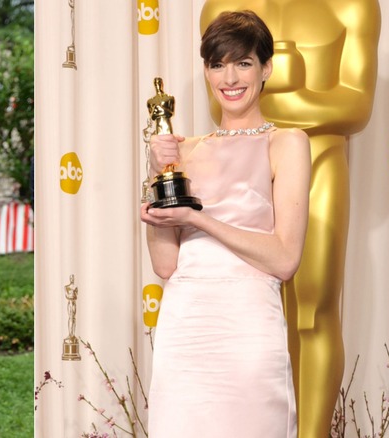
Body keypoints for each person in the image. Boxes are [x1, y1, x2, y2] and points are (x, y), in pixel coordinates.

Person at [200, 3, 379, 436]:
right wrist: (301, 93)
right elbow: (222, 102)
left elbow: (355, 106)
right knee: (248, 309)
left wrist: (284, 92)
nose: (234, 71)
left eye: (247, 63)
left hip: (321, 164)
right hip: (247, 172)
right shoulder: (220, 7)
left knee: (313, 309)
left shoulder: (353, 5)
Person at [140, 11, 310, 437]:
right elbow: (165, 265)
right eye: (217, 64)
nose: (229, 78)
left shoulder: (287, 142)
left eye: (243, 63)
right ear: (206, 71)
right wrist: (153, 181)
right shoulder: (185, 149)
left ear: (266, 67)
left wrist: (199, 218)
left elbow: (286, 259)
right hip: (185, 328)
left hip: (248, 326)